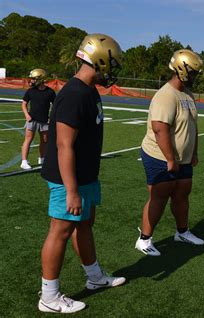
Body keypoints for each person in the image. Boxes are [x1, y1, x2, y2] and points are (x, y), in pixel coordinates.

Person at [39, 34, 126, 313]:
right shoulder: (75, 94)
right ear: (99, 59)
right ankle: (49, 296)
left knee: (85, 224)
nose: (111, 72)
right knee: (60, 231)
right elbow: (64, 145)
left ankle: (95, 278)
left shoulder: (89, 91)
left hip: (85, 175)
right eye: (110, 65)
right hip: (69, 179)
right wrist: (72, 189)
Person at [135, 49, 204, 256]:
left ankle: (182, 232)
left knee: (182, 194)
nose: (194, 76)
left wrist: (193, 152)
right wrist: (170, 158)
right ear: (181, 69)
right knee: (159, 196)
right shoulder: (166, 95)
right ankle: (144, 239)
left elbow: (193, 126)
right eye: (192, 72)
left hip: (182, 158)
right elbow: (159, 128)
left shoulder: (187, 94)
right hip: (160, 156)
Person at [20, 68, 56, 170]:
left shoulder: (50, 92)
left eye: (33, 79)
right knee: (28, 140)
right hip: (32, 120)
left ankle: (42, 158)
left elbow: (55, 105)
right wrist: (27, 115)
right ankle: (24, 161)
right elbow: (24, 104)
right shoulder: (30, 91)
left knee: (44, 140)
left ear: (40, 79)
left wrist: (51, 117)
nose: (31, 81)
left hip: (44, 121)